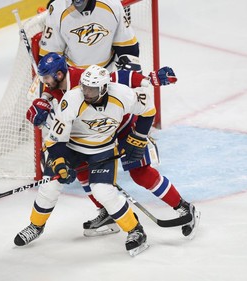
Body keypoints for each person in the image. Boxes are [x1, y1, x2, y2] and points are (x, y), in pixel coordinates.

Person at [26, 52, 200, 239]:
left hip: (121, 126)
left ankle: (183, 207)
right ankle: (106, 213)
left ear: (59, 74)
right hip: (92, 134)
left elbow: (119, 77)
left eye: (46, 77)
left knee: (140, 173)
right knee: (83, 169)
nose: (45, 81)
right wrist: (43, 101)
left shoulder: (82, 79)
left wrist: (148, 80)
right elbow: (53, 93)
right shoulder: (60, 83)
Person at [15, 65, 156, 256]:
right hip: (71, 147)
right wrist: (60, 162)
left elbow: (148, 111)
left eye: (92, 89)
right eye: (84, 87)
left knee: (103, 191)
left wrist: (139, 137)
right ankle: (36, 226)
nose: (87, 92)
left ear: (105, 88)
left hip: (103, 148)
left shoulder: (123, 95)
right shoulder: (72, 99)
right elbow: (56, 139)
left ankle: (135, 230)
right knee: (50, 186)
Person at [39, 0, 139, 70]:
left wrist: (130, 78)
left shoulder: (112, 4)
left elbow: (128, 48)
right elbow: (49, 56)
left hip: (108, 74)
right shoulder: (57, 9)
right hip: (73, 78)